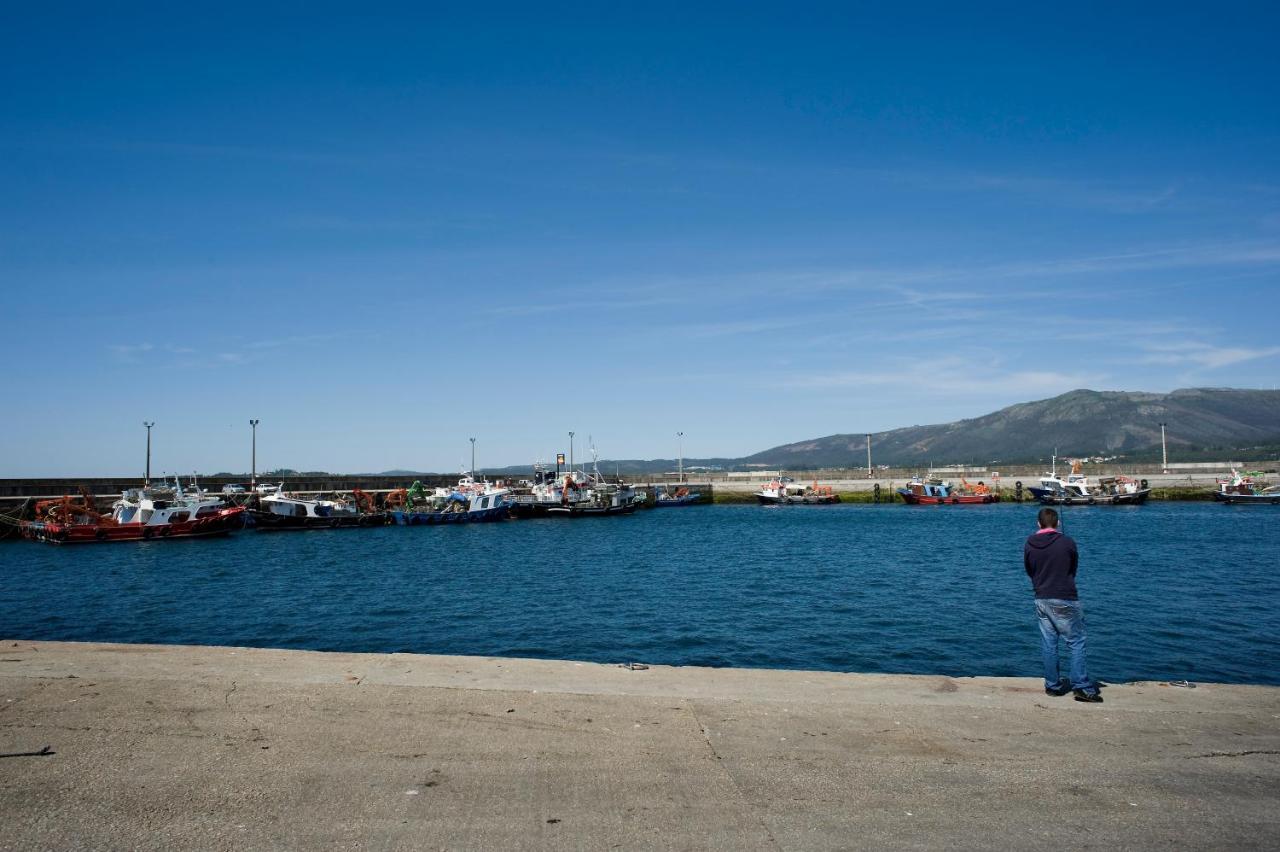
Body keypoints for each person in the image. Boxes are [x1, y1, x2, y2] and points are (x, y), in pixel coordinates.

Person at [1023, 507, 1103, 702]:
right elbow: (1073, 566)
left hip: (1041, 597)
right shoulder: (1067, 542)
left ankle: (1052, 685)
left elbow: (1029, 569)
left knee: (1049, 643)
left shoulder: (1029, 544)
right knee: (1076, 642)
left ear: (1038, 524)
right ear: (1057, 523)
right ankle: (1082, 687)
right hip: (1064, 596)